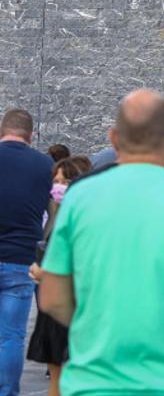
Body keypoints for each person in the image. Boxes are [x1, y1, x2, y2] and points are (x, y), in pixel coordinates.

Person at [38, 89, 164, 394]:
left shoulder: (79, 199)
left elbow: (52, 298)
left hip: (94, 380)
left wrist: (91, 328)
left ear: (114, 138)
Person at [27, 157, 92, 396]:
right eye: (56, 180)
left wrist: (45, 272)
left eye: (66, 180)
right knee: (58, 378)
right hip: (58, 310)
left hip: (70, 309)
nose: (59, 186)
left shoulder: (76, 221)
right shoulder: (63, 217)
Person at [0, 109, 53, 395]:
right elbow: (53, 212)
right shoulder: (44, 164)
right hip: (21, 258)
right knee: (11, 337)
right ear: (30, 135)